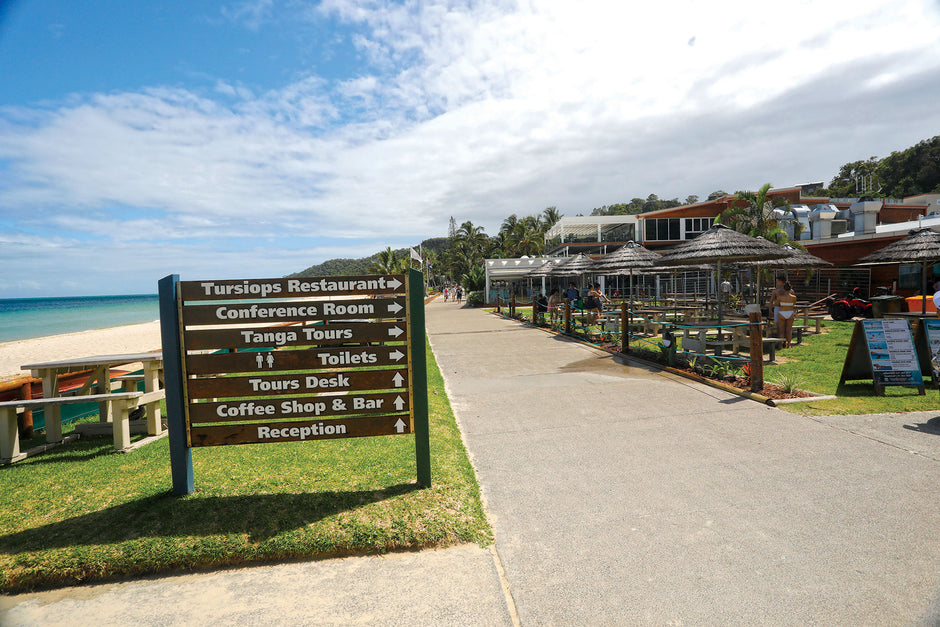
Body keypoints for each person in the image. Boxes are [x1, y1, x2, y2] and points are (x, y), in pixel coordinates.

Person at [769, 276, 798, 348]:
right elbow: (794, 304)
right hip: (790, 312)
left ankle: (780, 344)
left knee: (780, 329)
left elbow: (776, 303)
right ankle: (788, 344)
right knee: (789, 329)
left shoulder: (779, 295)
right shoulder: (793, 296)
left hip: (782, 311)